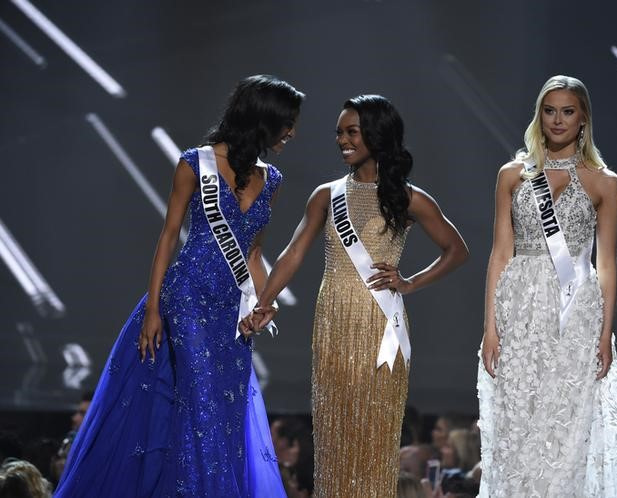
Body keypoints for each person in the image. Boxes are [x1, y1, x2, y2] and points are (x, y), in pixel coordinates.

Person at [55, 75, 305, 497]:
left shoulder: (273, 180)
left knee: (225, 413)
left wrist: (266, 301)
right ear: (263, 120)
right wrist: (154, 310)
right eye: (288, 122)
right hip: (186, 299)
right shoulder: (196, 163)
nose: (292, 133)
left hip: (231, 314)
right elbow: (169, 237)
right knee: (201, 403)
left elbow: (254, 254)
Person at [240, 94, 469, 496]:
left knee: (373, 439)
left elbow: (456, 249)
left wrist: (410, 282)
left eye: (352, 132)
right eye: (339, 133)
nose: (342, 140)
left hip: (380, 326)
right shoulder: (326, 195)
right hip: (333, 322)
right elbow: (293, 253)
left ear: (377, 136)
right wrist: (265, 301)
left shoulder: (409, 198)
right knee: (333, 437)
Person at [476, 75, 617, 497]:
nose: (558, 120)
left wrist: (604, 335)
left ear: (583, 117)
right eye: (550, 111)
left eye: (567, 111)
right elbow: (499, 254)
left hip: (575, 314)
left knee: (566, 429)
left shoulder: (605, 182)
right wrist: (491, 327)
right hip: (520, 309)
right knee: (519, 425)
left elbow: (607, 262)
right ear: (539, 115)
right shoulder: (514, 174)